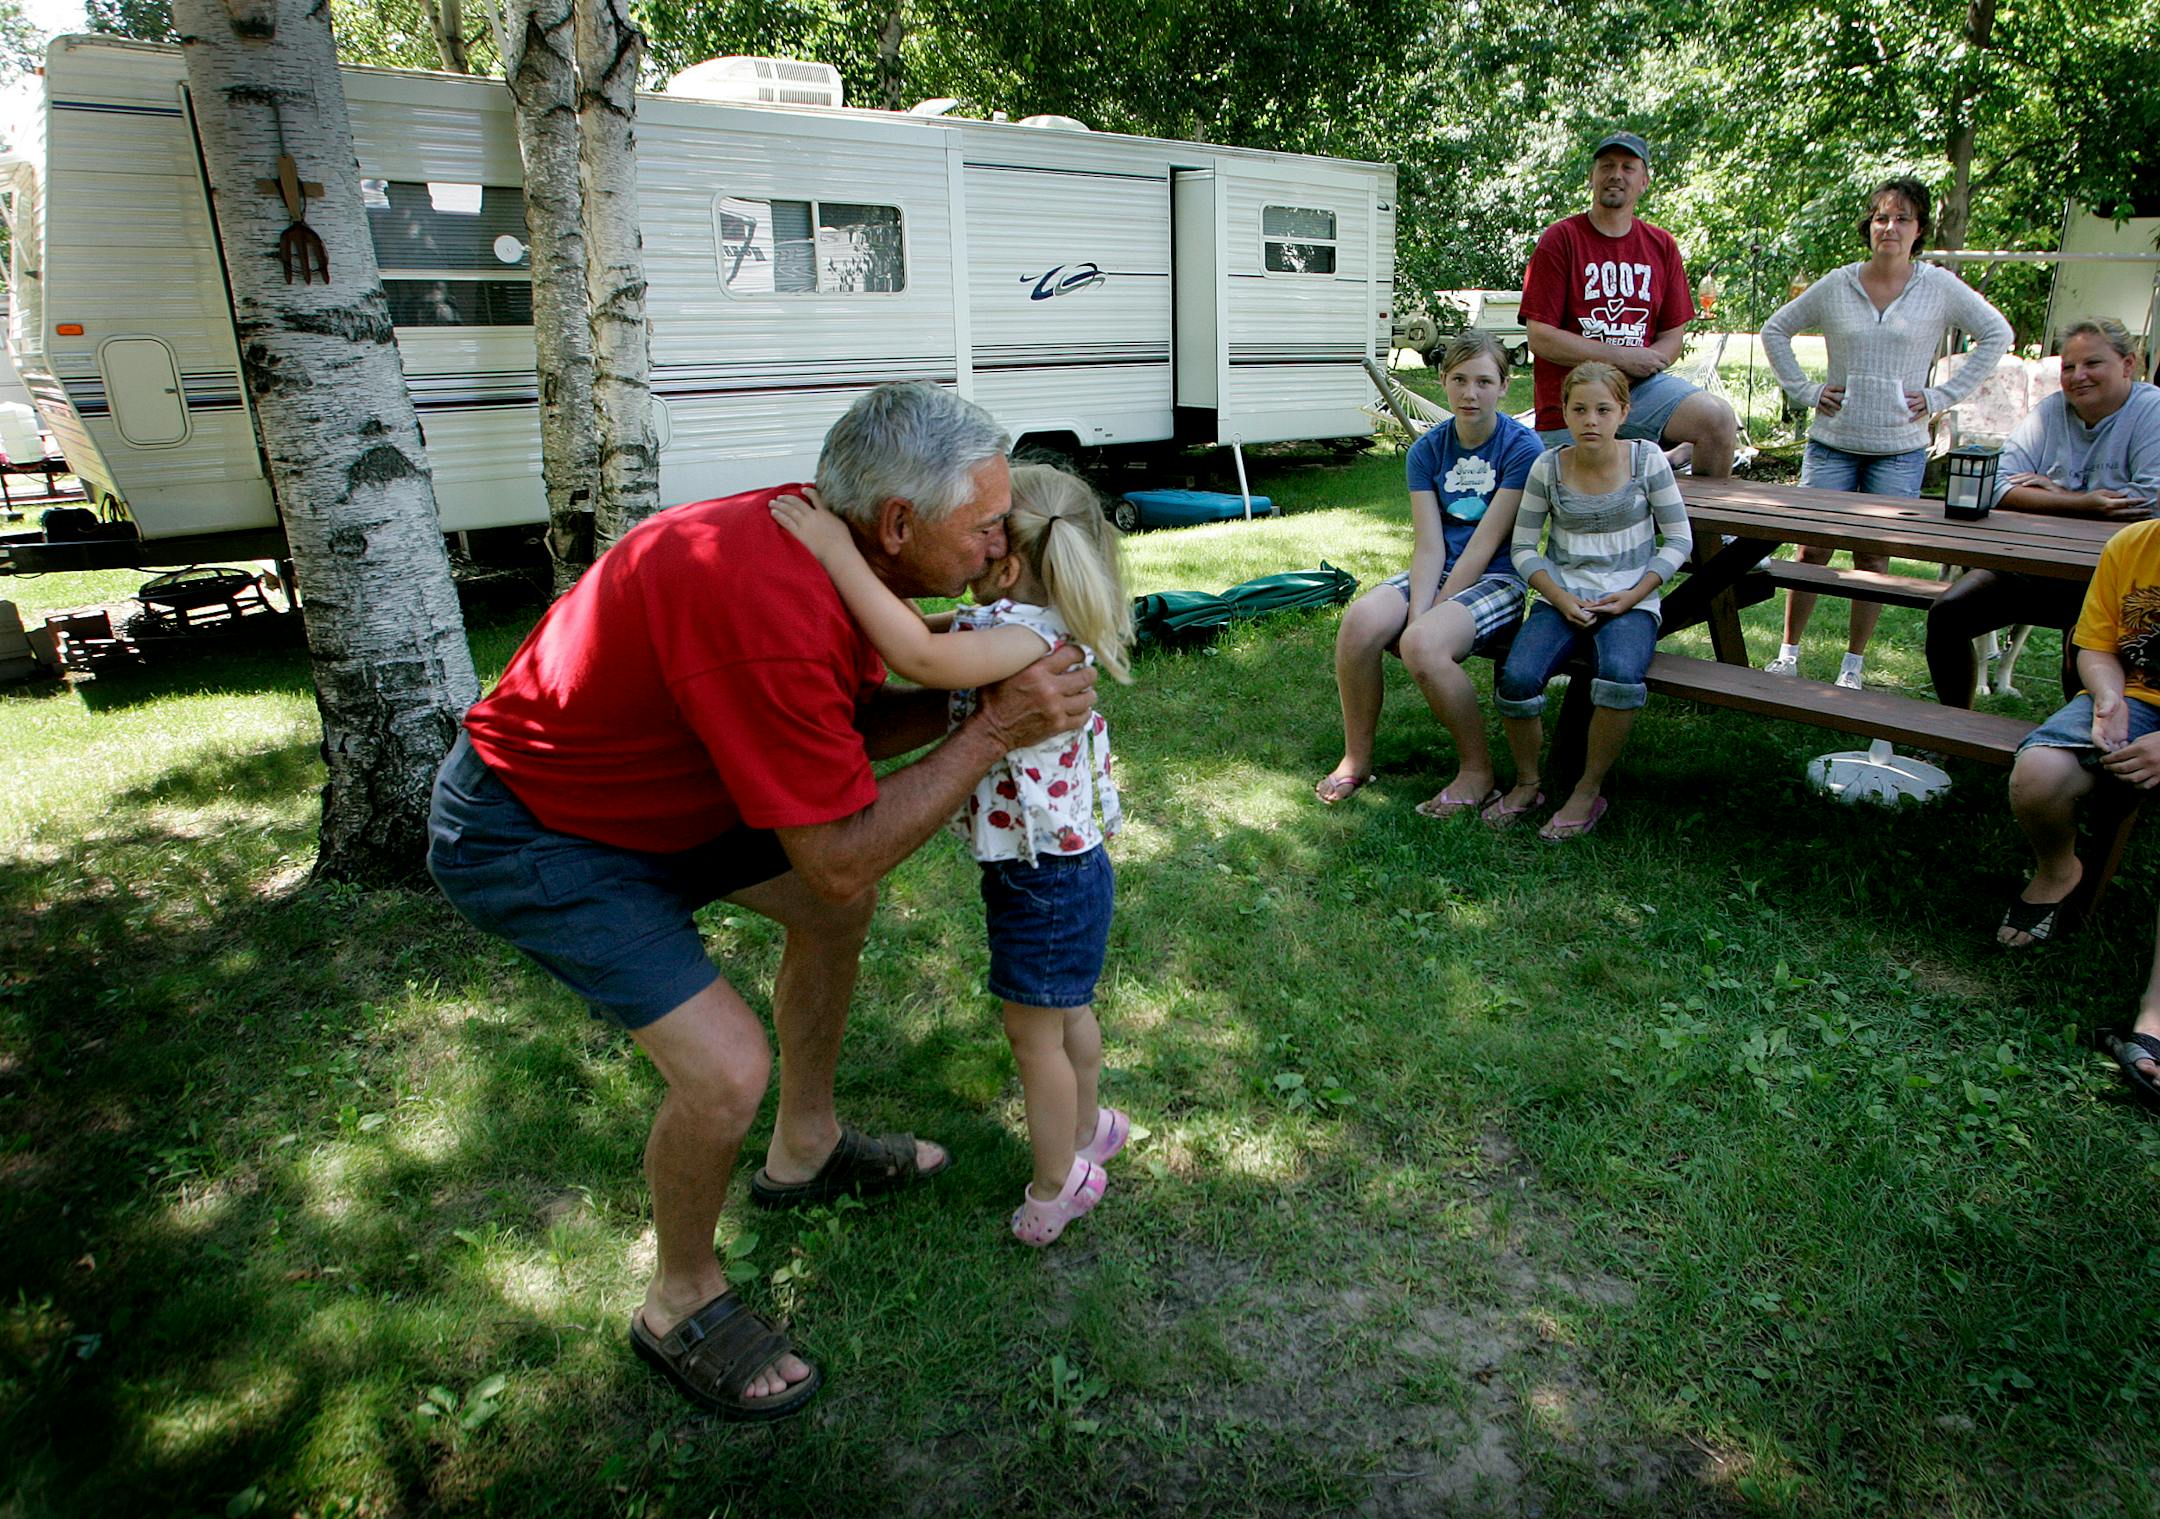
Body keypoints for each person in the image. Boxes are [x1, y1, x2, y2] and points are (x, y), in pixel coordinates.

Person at [425, 383, 1095, 1421]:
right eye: (983, 525)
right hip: (540, 829)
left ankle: (808, 1147)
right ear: (897, 523)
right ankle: (678, 1297)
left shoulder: (831, 547)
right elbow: (830, 852)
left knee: (840, 911)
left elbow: (832, 726)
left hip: (671, 791)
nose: (999, 542)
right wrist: (993, 731)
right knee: (726, 1070)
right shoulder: (769, 606)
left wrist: (970, 696)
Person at [773, 464, 1134, 1246]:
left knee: (1033, 1035)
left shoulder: (1017, 639)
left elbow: (918, 656)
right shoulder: (1043, 620)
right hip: (1073, 868)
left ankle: (1057, 1182)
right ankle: (1090, 1126)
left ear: (1006, 566)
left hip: (1039, 880)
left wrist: (836, 552)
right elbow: (931, 632)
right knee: (1069, 1010)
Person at [1760, 176, 2011, 690]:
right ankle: (1788, 653)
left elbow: (1996, 334)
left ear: (1918, 229)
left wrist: (1940, 397)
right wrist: (1806, 391)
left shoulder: (1938, 287)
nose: (1889, 227)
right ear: (1869, 226)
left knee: (1873, 553)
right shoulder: (1837, 284)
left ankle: (1853, 665)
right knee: (1812, 548)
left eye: (1902, 219)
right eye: (1880, 217)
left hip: (1899, 449)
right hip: (1832, 440)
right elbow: (1774, 330)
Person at [1314, 329, 1544, 815]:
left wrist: (1426, 620)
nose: (1470, 392)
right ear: (1442, 381)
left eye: (1484, 381)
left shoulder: (1522, 448)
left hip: (1497, 578)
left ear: (1505, 386)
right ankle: (1356, 757)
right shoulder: (1427, 451)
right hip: (1438, 569)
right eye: (1459, 379)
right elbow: (1429, 545)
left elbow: (1484, 545)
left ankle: (1477, 770)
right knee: (1360, 622)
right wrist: (1421, 607)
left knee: (1422, 643)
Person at [1487, 361, 1693, 840]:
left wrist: (1635, 595)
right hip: (1564, 597)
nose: (1590, 421)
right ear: (1564, 413)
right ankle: (1527, 782)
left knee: (1620, 676)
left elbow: (1678, 540)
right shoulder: (1548, 466)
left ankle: (1587, 789)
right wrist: (1558, 597)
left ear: (1624, 411)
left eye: (1603, 409)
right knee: (1516, 678)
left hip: (1631, 599)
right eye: (1579, 410)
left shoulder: (1647, 461)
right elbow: (1522, 548)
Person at [1927, 318, 2160, 706]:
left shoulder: (2151, 411)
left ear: (2128, 364)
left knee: (2084, 646)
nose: (2077, 376)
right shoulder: (2050, 412)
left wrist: (2052, 492)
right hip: (2031, 567)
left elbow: (2148, 501)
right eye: (2068, 367)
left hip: (2107, 577)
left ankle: (2081, 751)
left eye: (2092, 364)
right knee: (1947, 615)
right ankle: (1952, 735)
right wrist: (2081, 502)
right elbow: (1995, 485)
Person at [1519, 131, 1739, 477]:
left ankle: (1698, 530)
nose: (1616, 174)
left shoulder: (1661, 245)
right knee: (1598, 495)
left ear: (1644, 180)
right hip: (1573, 397)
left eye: (1628, 167)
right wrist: (1623, 357)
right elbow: (1541, 337)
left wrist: (1653, 360)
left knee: (1717, 419)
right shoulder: (1561, 240)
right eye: (1606, 166)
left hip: (1640, 392)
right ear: (1592, 177)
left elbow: (1672, 334)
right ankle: (1658, 466)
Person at [1997, 513, 2160, 949]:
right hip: (2138, 699)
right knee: (2040, 771)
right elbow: (2097, 647)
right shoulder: (2132, 544)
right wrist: (2109, 696)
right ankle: (2057, 869)